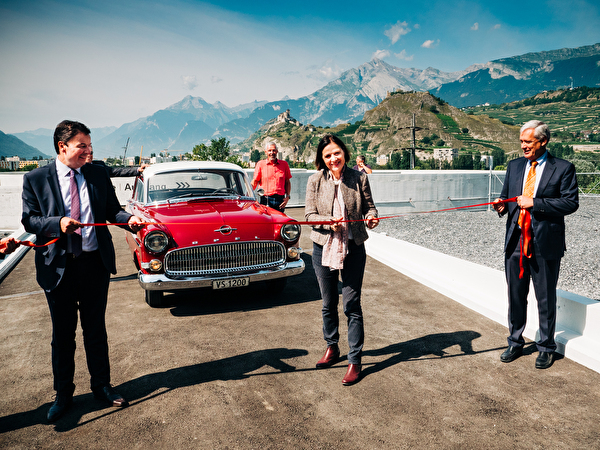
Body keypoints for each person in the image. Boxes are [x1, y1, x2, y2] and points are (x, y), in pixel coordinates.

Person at [22, 120, 144, 422]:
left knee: (95, 330)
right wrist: (58, 223)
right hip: (58, 269)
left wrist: (129, 220)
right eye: (82, 146)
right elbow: (30, 221)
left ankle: (102, 386)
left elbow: (110, 212)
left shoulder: (98, 173)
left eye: (90, 146)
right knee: (63, 336)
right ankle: (63, 395)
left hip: (94, 265)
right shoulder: (35, 179)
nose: (88, 152)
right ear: (63, 147)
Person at [493, 120, 578, 370]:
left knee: (545, 298)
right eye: (521, 141)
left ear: (543, 142)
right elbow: (511, 200)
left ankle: (546, 347)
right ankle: (515, 342)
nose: (523, 146)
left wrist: (536, 203)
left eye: (528, 142)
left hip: (545, 244)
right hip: (516, 242)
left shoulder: (563, 168)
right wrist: (501, 206)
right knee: (515, 296)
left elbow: (570, 203)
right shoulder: (514, 166)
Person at [305, 134, 379, 386]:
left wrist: (371, 217)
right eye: (327, 155)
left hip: (353, 247)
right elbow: (309, 215)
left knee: (352, 305)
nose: (333, 158)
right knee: (328, 303)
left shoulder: (359, 178)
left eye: (336, 153)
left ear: (344, 153)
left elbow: (370, 207)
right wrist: (328, 221)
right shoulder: (314, 180)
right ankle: (332, 347)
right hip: (323, 247)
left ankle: (355, 360)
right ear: (322, 159)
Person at [251, 142, 292, 212]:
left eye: (274, 150)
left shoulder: (284, 164)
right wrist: (247, 196)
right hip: (265, 199)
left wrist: (287, 197)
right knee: (266, 221)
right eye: (269, 150)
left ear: (277, 151)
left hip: (280, 200)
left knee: (280, 222)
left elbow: (287, 182)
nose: (272, 152)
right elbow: (255, 181)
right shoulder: (260, 164)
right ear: (265, 152)